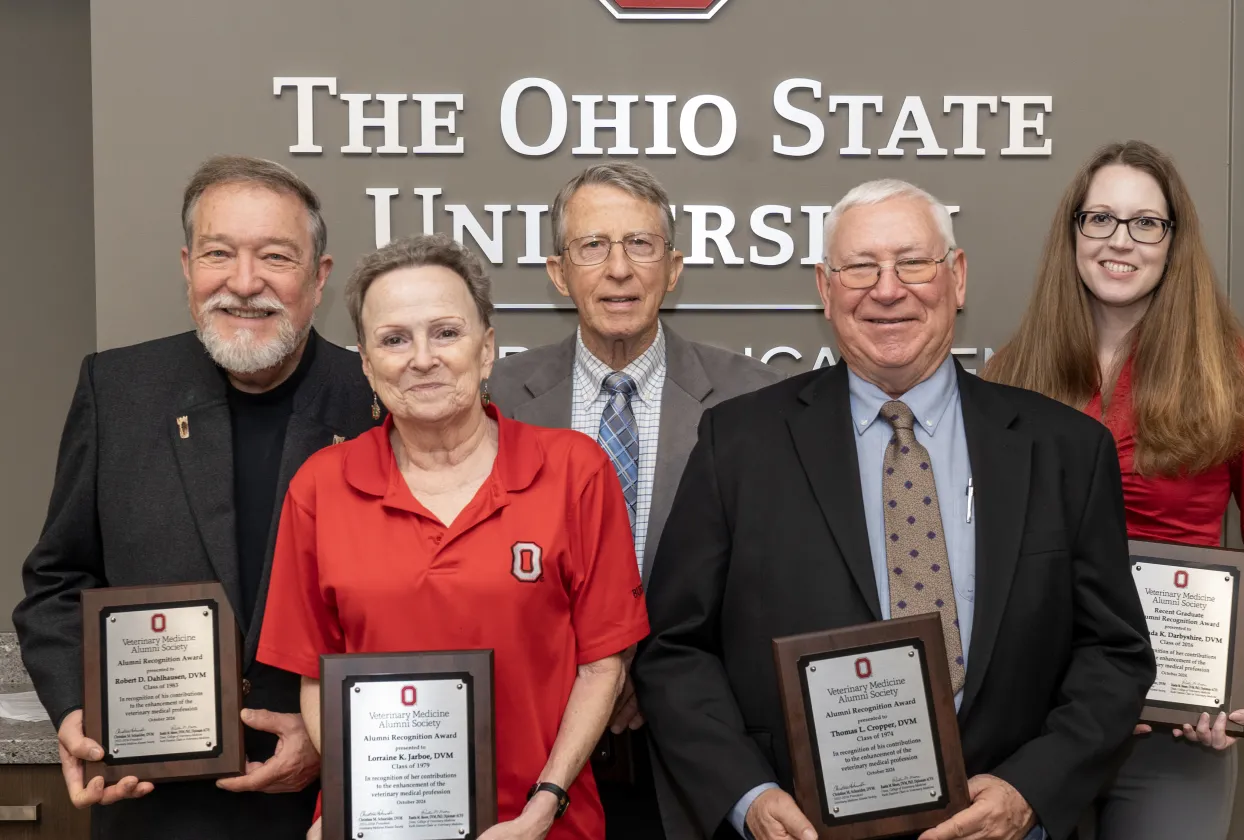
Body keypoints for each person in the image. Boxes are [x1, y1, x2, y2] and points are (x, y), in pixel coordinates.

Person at [634, 177, 1157, 840]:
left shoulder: (1064, 450)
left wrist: (1031, 789)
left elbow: (1115, 653)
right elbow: (675, 649)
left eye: (913, 262)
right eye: (860, 267)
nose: (887, 290)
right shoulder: (738, 443)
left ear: (957, 278)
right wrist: (749, 797)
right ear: (825, 289)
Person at [12, 155, 379, 838]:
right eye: (219, 253)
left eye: (275, 256)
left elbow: (425, 613)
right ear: (187, 266)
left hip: (331, 811)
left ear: (319, 277)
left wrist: (334, 735)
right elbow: (56, 582)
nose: (244, 283)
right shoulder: (117, 391)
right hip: (154, 808)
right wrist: (75, 712)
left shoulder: (375, 401)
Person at [257, 233, 650, 840]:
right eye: (394, 339)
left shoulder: (576, 471)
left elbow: (603, 664)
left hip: (544, 826)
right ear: (365, 362)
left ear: (486, 348)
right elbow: (316, 674)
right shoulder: (321, 487)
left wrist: (545, 805)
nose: (422, 358)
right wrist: (349, 800)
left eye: (446, 332)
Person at [983, 140, 1244, 840]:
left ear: (1174, 242)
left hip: (1175, 727)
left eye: (1145, 223)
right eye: (1100, 218)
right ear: (1072, 232)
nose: (1120, 242)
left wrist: (1242, 662)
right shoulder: (1010, 373)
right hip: (1038, 724)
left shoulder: (1234, 373)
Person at [488, 162, 783, 840]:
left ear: (673, 268)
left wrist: (646, 674)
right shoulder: (496, 401)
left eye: (640, 245)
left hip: (701, 753)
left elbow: (763, 579)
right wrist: (592, 674)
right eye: (592, 247)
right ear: (559, 273)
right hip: (534, 744)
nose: (618, 269)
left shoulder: (754, 401)